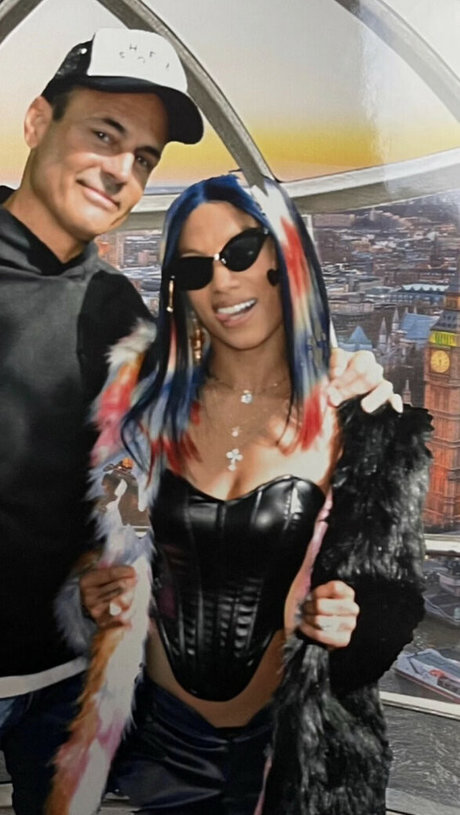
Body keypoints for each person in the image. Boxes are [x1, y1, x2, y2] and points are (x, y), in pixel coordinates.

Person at [50, 174, 431, 815]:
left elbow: (395, 599)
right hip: (155, 750)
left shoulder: (366, 421)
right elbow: (109, 544)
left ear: (287, 253)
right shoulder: (138, 414)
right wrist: (91, 591)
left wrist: (354, 622)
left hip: (293, 759)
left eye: (241, 252)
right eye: (195, 268)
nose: (222, 283)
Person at [0, 26, 205, 815]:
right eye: (104, 136)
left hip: (62, 683)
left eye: (144, 157)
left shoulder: (120, 310)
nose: (122, 170)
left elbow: (126, 474)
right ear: (36, 121)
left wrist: (111, 557)